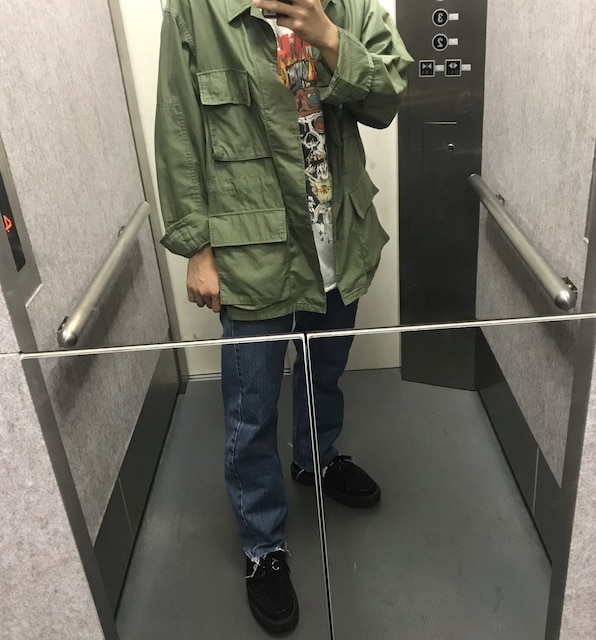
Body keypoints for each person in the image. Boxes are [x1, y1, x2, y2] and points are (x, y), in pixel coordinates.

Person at [155, 0, 412, 632]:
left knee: (324, 376)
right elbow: (178, 128)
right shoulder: (194, 12)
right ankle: (262, 545)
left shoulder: (346, 5)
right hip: (252, 250)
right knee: (251, 409)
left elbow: (388, 95)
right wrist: (198, 249)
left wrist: (326, 34)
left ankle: (315, 461)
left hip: (338, 239)